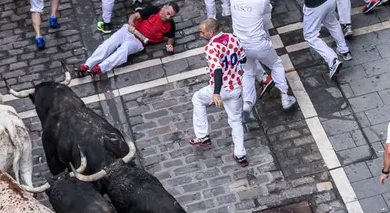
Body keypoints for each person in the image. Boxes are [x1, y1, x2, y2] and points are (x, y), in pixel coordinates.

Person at [189, 18, 249, 167]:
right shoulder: (233, 38)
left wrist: (216, 93)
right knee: (236, 120)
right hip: (236, 87)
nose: (201, 34)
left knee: (197, 99)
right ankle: (240, 154)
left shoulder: (211, 47)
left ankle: (202, 136)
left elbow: (217, 70)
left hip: (220, 89)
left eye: (203, 32)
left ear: (211, 31)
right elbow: (243, 59)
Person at [230, 0, 297, 122]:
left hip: (240, 45)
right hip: (259, 44)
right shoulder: (261, 2)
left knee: (248, 73)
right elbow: (266, 21)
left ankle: (247, 104)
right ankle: (285, 98)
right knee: (276, 65)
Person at [78, 3, 178, 75]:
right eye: (168, 13)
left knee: (123, 50)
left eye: (171, 16)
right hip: (129, 30)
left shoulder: (170, 24)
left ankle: (100, 68)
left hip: (139, 41)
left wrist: (170, 45)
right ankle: (87, 65)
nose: (168, 17)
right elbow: (134, 16)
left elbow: (171, 37)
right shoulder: (152, 10)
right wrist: (131, 25)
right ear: (164, 8)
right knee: (109, 44)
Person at [302, 0, 351, 81]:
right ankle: (344, 50)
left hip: (315, 5)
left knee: (310, 35)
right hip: (330, 2)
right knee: (332, 22)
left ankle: (332, 61)